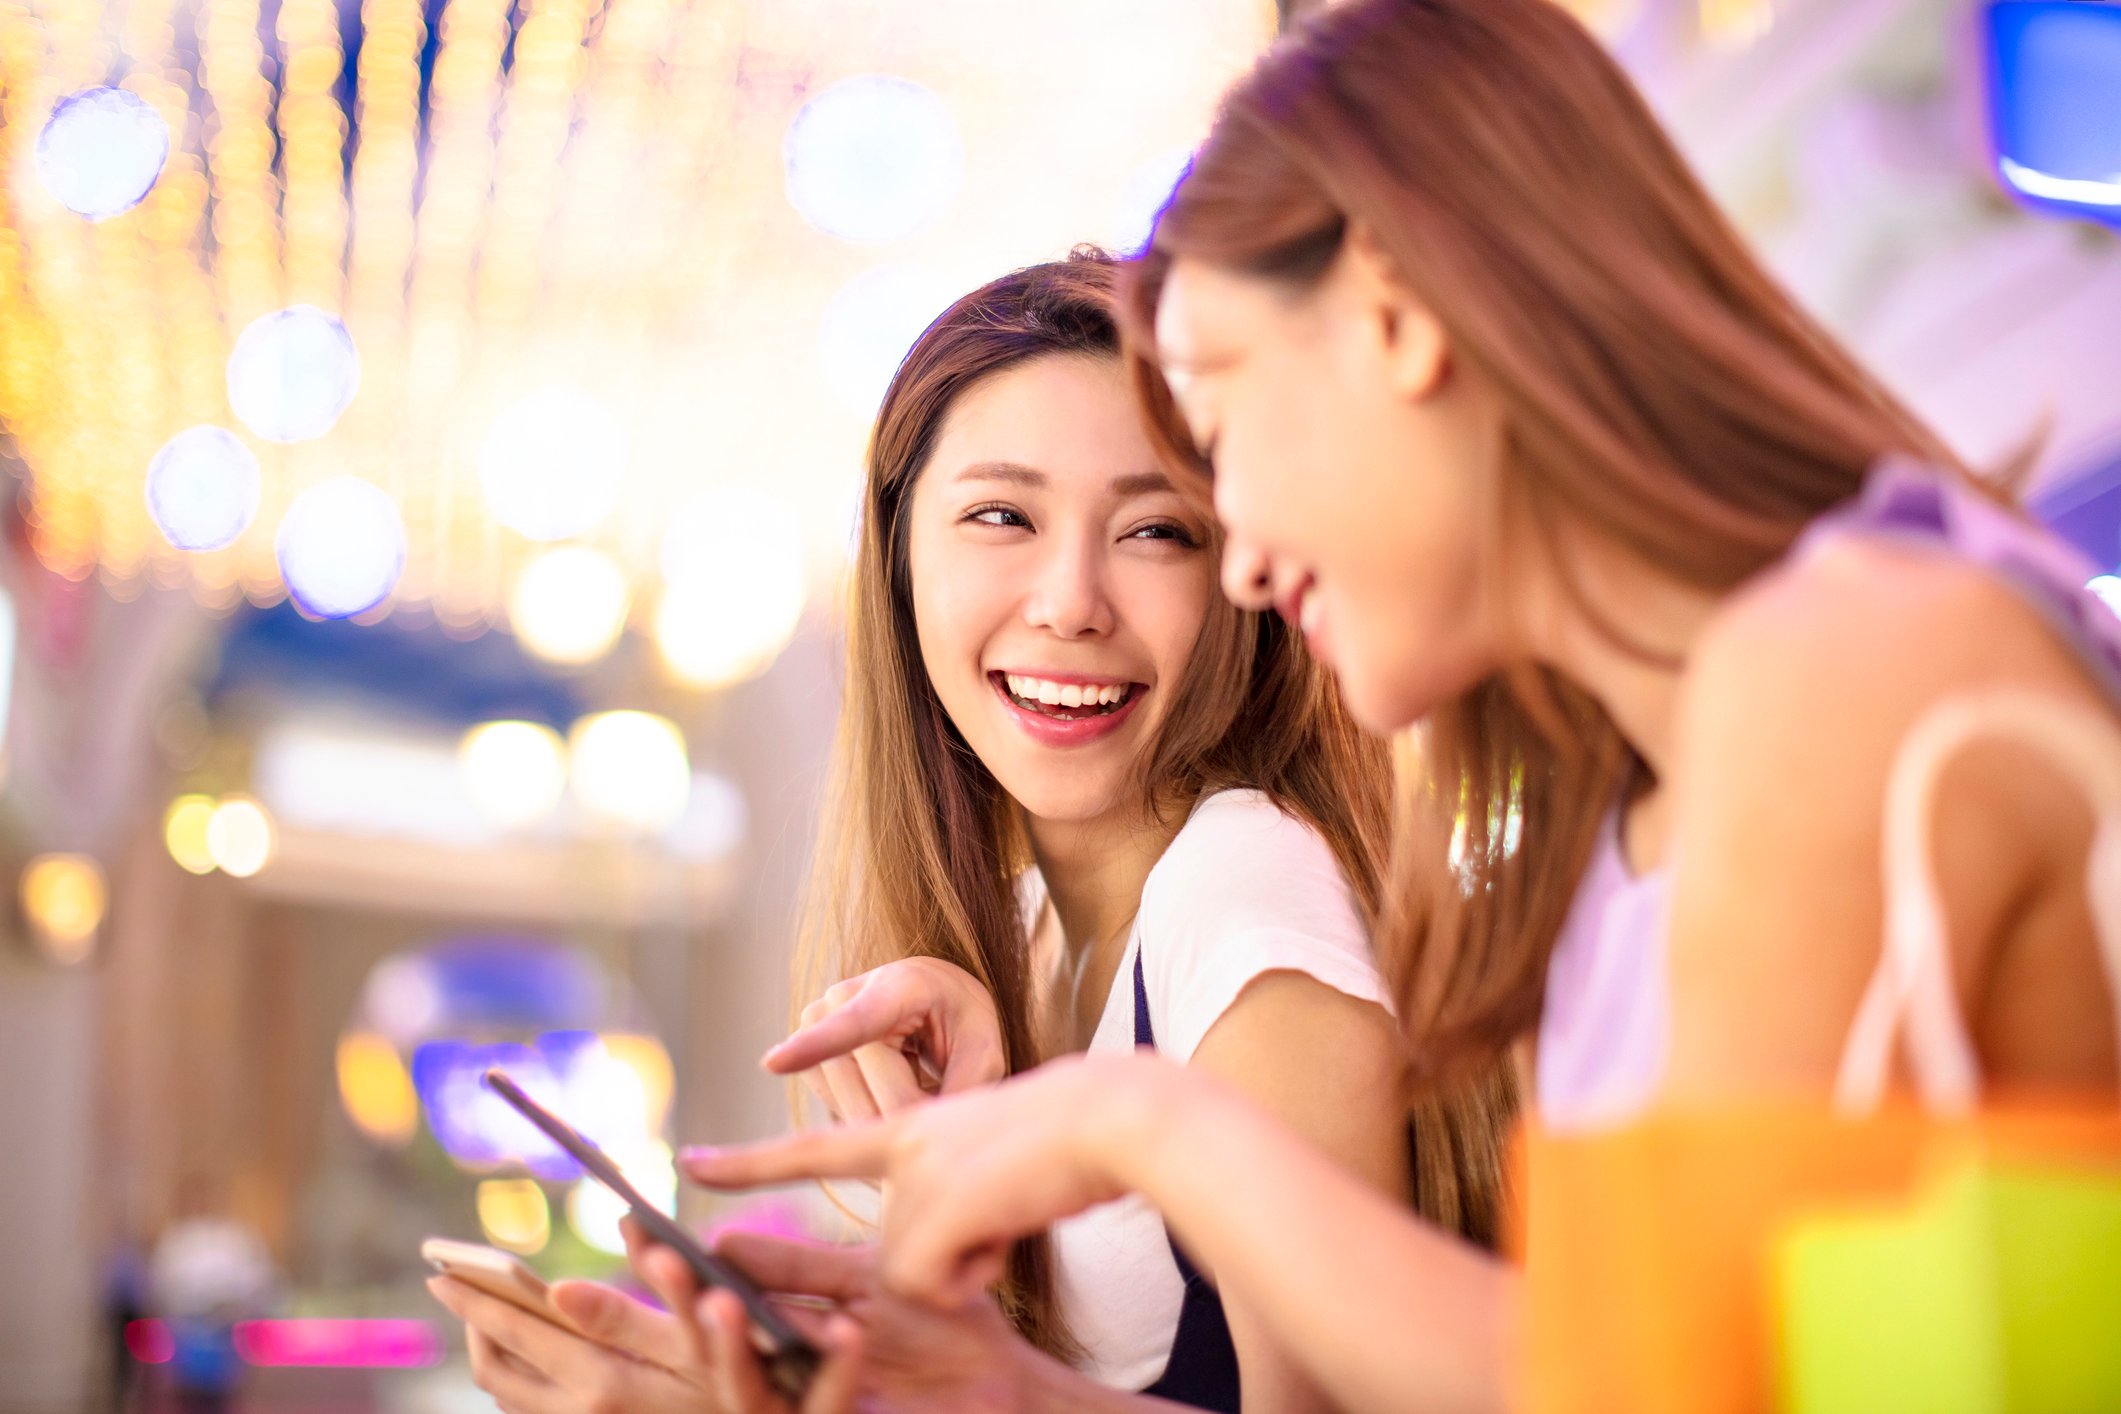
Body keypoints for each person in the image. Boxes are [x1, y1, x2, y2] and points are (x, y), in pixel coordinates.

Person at [679, 2, 2121, 1411]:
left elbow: (1655, 1386)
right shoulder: (1656, 802)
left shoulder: (1842, 664)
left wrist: (1145, 1123)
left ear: (1392, 312)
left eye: (1223, 430)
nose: (1237, 550)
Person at [430, 251, 1511, 1412]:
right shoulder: (1030, 938)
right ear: (898, 562)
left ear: (1243, 573)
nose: (1070, 600)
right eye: (1002, 516)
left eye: (1158, 531)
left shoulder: (1237, 884)